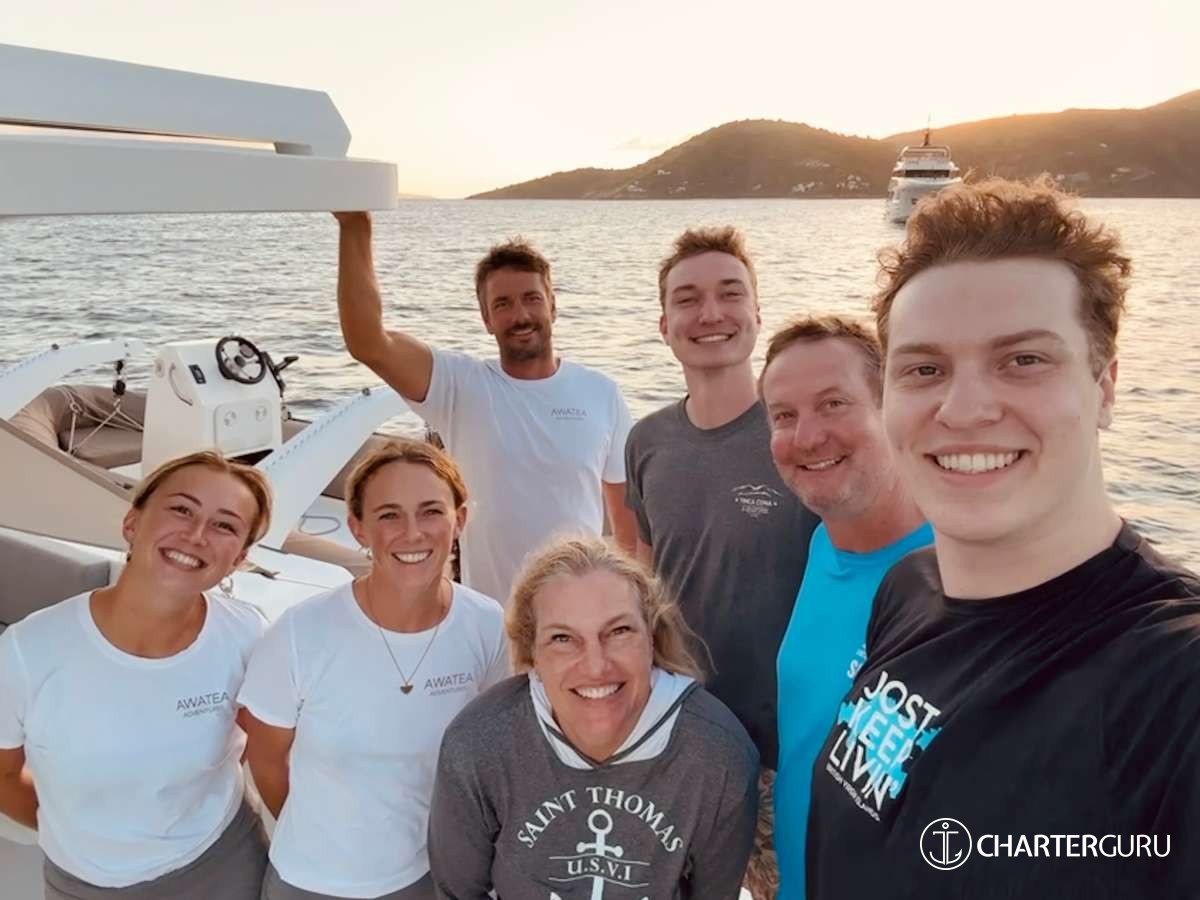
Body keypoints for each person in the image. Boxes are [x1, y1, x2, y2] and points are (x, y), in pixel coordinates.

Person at [806, 178, 1200, 898]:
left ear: (1105, 387)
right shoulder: (908, 590)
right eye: (925, 369)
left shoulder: (1171, 685)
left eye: (1023, 360)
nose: (964, 410)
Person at [238, 439, 507, 900]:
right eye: (389, 515)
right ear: (358, 528)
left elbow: (489, 747)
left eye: (431, 511)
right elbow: (265, 759)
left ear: (459, 519)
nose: (412, 533)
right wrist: (327, 842)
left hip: (433, 874)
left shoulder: (485, 624)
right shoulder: (302, 633)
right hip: (313, 883)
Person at [0, 450, 273, 899]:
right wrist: (83, 838)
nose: (196, 535)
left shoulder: (247, 634)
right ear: (132, 523)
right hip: (86, 884)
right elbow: (4, 776)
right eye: (181, 509)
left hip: (225, 864)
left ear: (239, 558)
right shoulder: (29, 650)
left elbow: (259, 743)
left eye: (224, 525)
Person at [428, 535, 759, 899]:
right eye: (562, 638)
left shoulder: (717, 758)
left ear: (651, 637)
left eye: (618, 632)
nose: (596, 666)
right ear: (532, 653)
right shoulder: (478, 745)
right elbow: (458, 893)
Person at [333, 212, 636, 603]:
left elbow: (628, 529)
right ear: (487, 318)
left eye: (532, 299)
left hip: (578, 614)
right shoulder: (461, 386)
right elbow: (368, 342)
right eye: (503, 304)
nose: (520, 315)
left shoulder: (601, 393)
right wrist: (356, 227)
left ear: (553, 306)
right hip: (490, 617)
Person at [624, 226, 819, 768]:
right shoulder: (646, 441)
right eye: (687, 299)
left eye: (730, 294)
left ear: (758, 313)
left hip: (790, 742)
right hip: (678, 731)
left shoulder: (803, 437)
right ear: (664, 326)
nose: (711, 314)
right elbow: (647, 573)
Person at [758, 315, 932, 899]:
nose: (807, 437)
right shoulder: (823, 542)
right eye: (784, 415)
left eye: (833, 404)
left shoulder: (957, 575)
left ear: (892, 409)